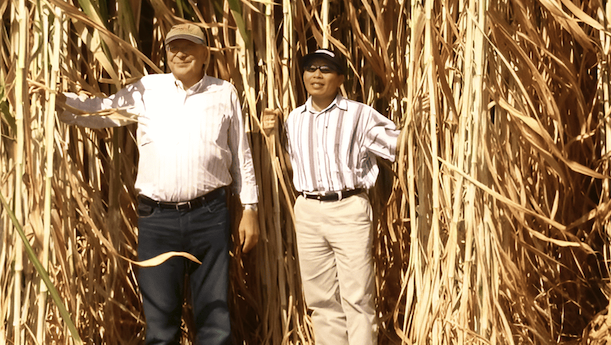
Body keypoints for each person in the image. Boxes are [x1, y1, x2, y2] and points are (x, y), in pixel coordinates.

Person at [57, 21, 260, 345]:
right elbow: (101, 112)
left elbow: (241, 154)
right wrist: (57, 100)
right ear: (165, 54)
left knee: (214, 319)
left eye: (189, 46)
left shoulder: (224, 92)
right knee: (161, 322)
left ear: (204, 53)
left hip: (209, 216)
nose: (180, 53)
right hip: (157, 220)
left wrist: (249, 207)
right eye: (173, 47)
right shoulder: (147, 90)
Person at [262, 47, 398, 345]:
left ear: (340, 78)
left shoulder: (359, 115)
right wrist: (271, 138)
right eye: (311, 68)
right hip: (308, 210)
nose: (317, 75)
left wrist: (419, 120)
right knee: (321, 299)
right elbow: (294, 167)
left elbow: (399, 147)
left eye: (326, 69)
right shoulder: (294, 119)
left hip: (348, 208)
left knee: (357, 296)